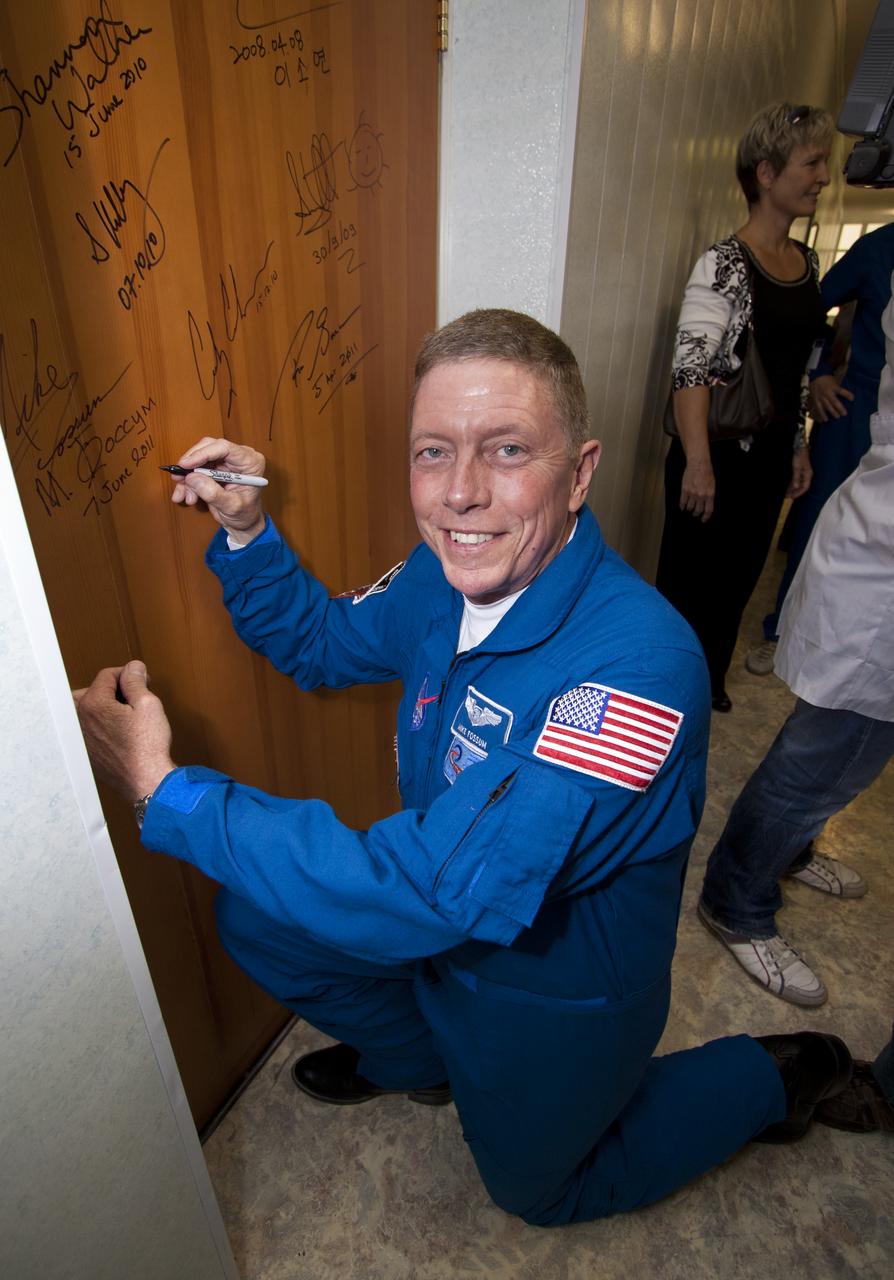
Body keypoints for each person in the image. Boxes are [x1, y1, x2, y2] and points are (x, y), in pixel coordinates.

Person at [75, 309, 851, 1227]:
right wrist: (246, 530)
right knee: (257, 915)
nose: (460, 495)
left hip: (550, 988)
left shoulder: (638, 672)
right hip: (448, 932)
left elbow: (440, 891)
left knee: (541, 1192)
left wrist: (169, 793)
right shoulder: (438, 577)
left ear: (581, 474)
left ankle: (775, 1074)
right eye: (433, 452)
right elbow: (322, 644)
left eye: (509, 450)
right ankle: (425, 1062)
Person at [698, 275, 894, 1008]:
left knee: (842, 754)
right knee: (828, 755)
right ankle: (736, 898)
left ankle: (793, 847)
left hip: (877, 566)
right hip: (882, 583)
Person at [656, 102, 832, 712]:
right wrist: (699, 464)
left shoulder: (806, 263)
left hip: (770, 455)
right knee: (690, 583)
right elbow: (690, 368)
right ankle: (667, 694)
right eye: (811, 163)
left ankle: (707, 683)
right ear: (766, 172)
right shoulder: (725, 265)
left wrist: (800, 444)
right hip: (718, 456)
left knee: (737, 581)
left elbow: (803, 367)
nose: (823, 177)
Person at [746, 220, 894, 675]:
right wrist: (821, 373)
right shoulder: (879, 248)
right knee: (818, 521)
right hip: (860, 407)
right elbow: (811, 313)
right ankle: (782, 631)